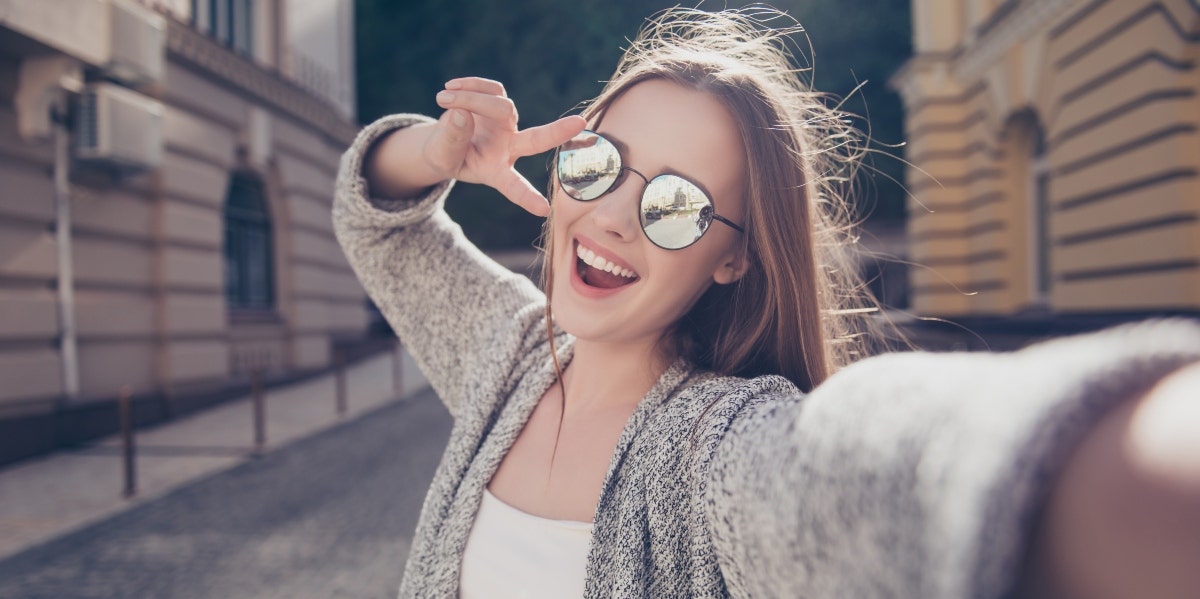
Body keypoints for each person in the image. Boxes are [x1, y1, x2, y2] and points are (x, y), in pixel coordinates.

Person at [333, 7, 1200, 598]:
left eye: (676, 206)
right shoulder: (505, 351)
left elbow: (888, 469)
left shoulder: (718, 449)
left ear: (734, 258)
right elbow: (378, 222)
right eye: (597, 163)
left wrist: (1121, 452)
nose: (610, 216)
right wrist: (434, 151)